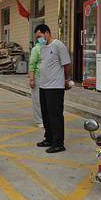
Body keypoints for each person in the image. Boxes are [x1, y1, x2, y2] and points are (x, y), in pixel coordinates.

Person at [34, 24, 72, 154]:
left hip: (55, 87)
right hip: (43, 86)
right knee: (46, 114)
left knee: (55, 115)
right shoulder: (43, 47)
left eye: (39, 36)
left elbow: (66, 64)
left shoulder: (58, 45)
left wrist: (66, 80)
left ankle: (58, 143)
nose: (38, 39)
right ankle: (49, 138)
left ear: (47, 33)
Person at [28, 39, 43, 128]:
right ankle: (39, 120)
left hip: (48, 78)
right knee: (37, 100)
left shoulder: (49, 47)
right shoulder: (36, 49)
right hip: (38, 76)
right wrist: (32, 79)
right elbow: (32, 64)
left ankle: (46, 118)